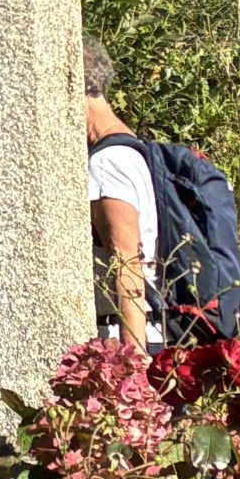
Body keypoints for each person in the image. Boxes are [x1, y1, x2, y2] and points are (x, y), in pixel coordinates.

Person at [84, 37, 161, 349]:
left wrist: (133, 364)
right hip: (140, 336)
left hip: (127, 342)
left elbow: (126, 260)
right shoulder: (130, 147)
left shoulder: (108, 161)